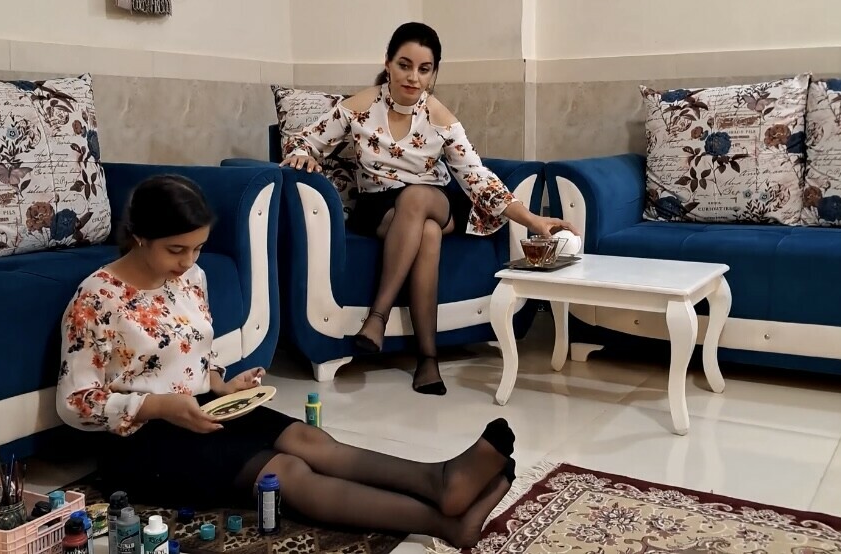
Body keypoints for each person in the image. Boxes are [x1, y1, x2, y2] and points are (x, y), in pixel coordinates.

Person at [56, 174, 517, 548]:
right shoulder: (97, 298)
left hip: (200, 409)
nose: (188, 261)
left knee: (308, 439)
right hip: (140, 440)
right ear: (139, 236)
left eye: (197, 248)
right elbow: (75, 403)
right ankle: (444, 524)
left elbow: (194, 351)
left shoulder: (191, 276)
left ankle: (439, 481)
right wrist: (157, 406)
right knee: (286, 473)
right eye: (176, 249)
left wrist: (222, 385)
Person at [281, 22, 575, 394]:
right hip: (380, 208)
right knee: (428, 233)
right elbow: (304, 141)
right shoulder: (358, 108)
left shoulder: (441, 118)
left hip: (435, 200)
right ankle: (427, 358)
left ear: (433, 72)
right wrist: (304, 155)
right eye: (404, 65)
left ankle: (377, 316)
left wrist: (532, 219)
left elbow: (477, 178)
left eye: (424, 69)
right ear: (388, 63)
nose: (413, 77)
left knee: (419, 199)